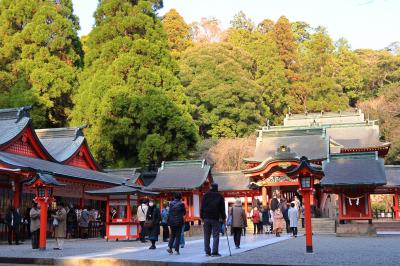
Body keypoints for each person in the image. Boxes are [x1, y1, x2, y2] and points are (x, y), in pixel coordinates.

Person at [200, 183, 226, 257]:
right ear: (217, 188)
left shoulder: (205, 196)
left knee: (206, 235)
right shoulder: (219, 196)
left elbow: (202, 207)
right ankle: (214, 252)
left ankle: (207, 251)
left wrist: (202, 216)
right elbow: (222, 209)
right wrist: (223, 218)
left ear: (210, 188)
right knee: (215, 235)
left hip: (206, 218)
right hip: (215, 218)